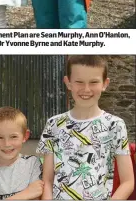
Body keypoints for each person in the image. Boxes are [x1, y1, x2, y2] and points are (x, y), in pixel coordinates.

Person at [37, 56, 134, 200]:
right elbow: (48, 180)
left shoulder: (115, 125)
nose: (86, 89)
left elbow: (128, 182)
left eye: (94, 82)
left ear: (105, 83)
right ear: (68, 83)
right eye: (79, 82)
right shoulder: (54, 124)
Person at [0, 107, 43, 200]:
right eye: (0, 137)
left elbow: (37, 193)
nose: (7, 144)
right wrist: (26, 194)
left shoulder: (33, 163)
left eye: (13, 136)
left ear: (25, 136)